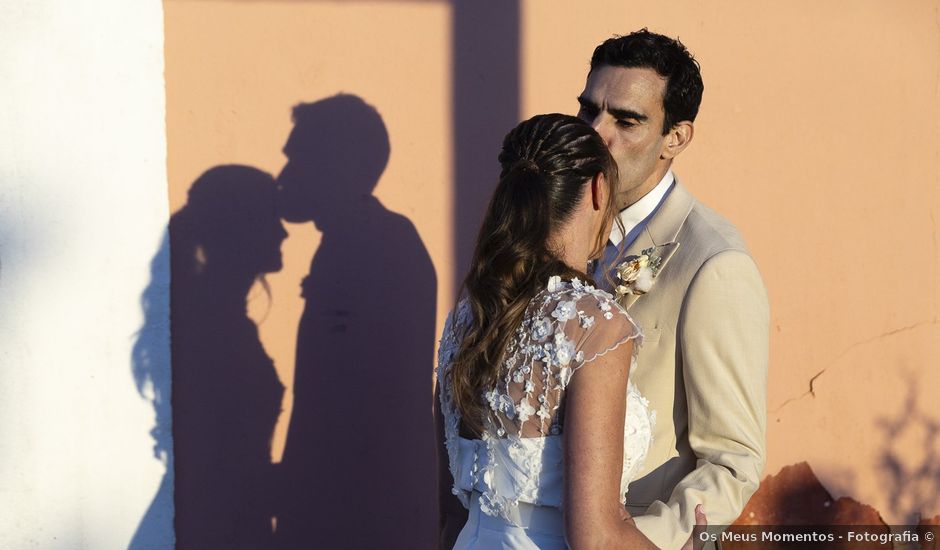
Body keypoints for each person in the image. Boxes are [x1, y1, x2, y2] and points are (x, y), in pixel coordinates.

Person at [436, 113, 705, 549]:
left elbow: (450, 514)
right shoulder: (591, 323)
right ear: (599, 189)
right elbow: (594, 538)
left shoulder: (469, 316)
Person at [578, 30, 770, 549]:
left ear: (676, 138)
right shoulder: (558, 228)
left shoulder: (713, 264)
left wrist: (637, 540)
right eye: (589, 110)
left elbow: (731, 459)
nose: (598, 134)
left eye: (627, 119)